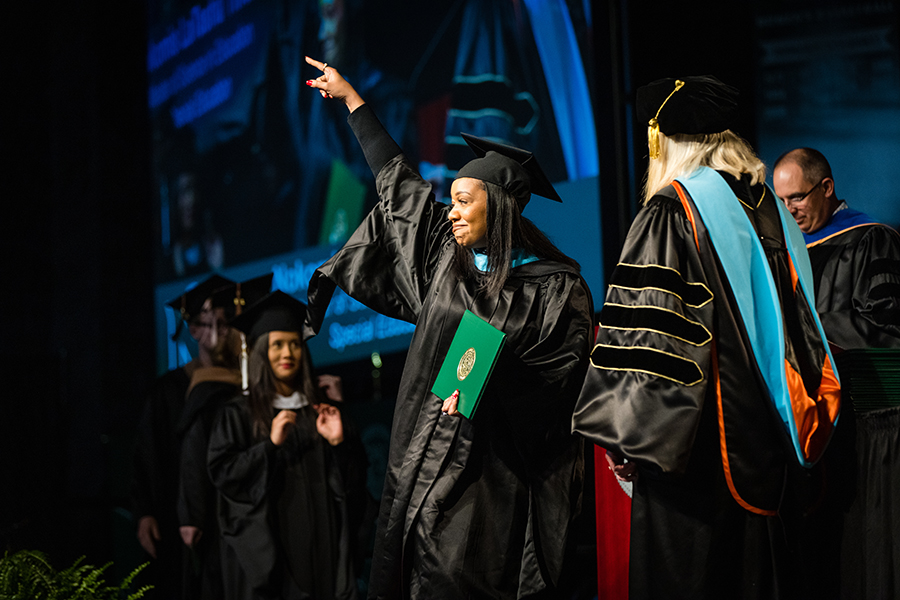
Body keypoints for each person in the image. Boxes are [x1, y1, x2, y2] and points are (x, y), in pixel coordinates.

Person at [304, 57, 594, 599]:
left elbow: (562, 386)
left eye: (464, 201)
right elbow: (401, 187)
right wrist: (351, 100)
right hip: (418, 459)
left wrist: (495, 382)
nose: (452, 212)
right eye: (453, 201)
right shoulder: (445, 260)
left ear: (500, 207)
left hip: (490, 477)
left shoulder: (555, 289)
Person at [572, 76, 841, 600]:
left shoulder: (674, 210)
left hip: (694, 467)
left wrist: (628, 436)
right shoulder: (767, 208)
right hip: (768, 448)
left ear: (666, 144)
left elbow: (656, 333)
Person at [207, 290, 369, 600]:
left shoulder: (320, 412)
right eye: (277, 345)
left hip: (323, 553)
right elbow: (225, 478)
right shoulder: (238, 414)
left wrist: (339, 444)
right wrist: (269, 445)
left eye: (294, 344)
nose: (288, 353)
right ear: (261, 353)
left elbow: (354, 488)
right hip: (276, 558)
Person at [130, 273, 238, 599]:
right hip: (179, 517)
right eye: (207, 323)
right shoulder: (169, 392)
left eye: (225, 322)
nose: (217, 333)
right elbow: (147, 454)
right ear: (192, 330)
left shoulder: (246, 385)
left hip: (234, 514)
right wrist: (145, 512)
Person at [176, 274, 273, 600]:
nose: (229, 333)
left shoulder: (250, 383)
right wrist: (192, 514)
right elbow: (194, 454)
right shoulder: (205, 390)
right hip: (223, 514)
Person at [772, 147, 900, 350]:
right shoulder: (788, 249)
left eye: (797, 198)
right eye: (781, 201)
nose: (789, 210)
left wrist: (808, 325)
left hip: (855, 376)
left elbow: (886, 323)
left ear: (826, 187)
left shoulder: (871, 239)